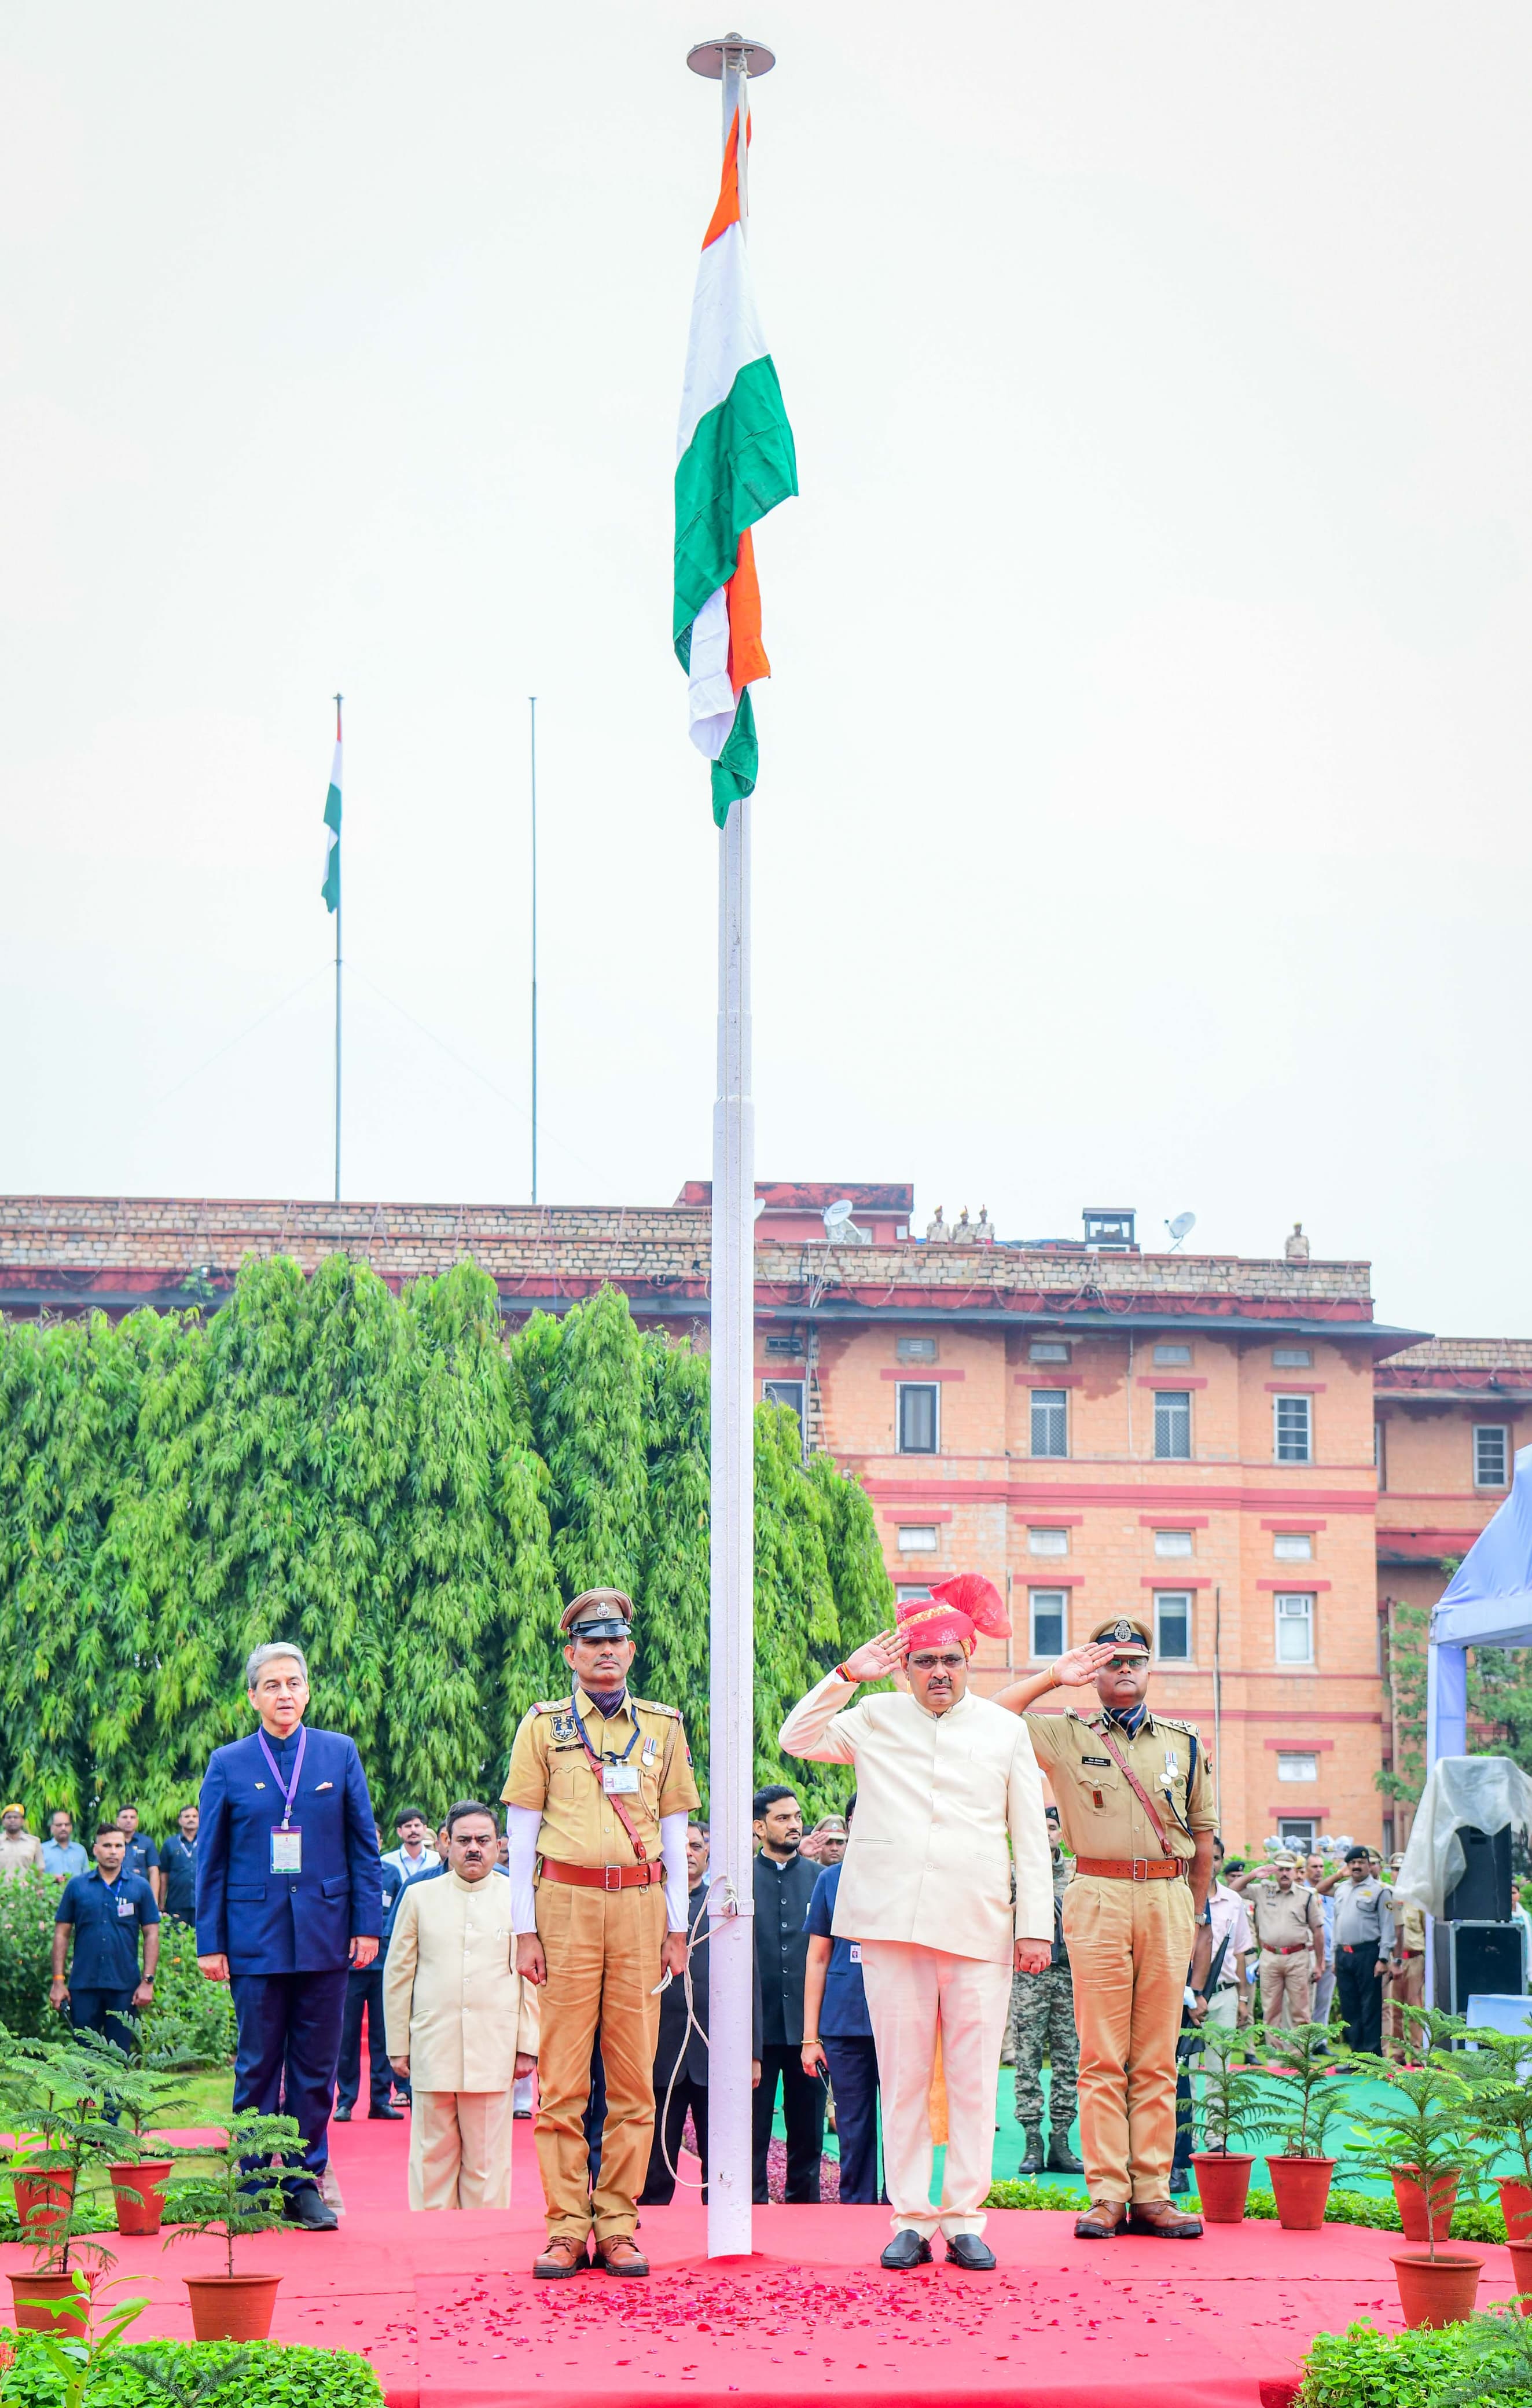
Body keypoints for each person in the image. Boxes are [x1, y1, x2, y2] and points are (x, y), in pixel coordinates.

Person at [780, 1574, 1053, 2271]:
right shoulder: (873, 1717)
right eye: (925, 1661)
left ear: (970, 1660)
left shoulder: (1004, 1729)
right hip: (891, 1924)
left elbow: (1030, 1833)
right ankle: (908, 2215)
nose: (939, 1672)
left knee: (971, 2077)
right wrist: (847, 1674)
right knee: (901, 2076)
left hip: (979, 1923)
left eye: (951, 1659)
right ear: (905, 1667)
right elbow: (795, 1736)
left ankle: (963, 2217)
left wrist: (1035, 1927)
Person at [995, 1616, 1215, 2241]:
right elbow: (991, 1716)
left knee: (1156, 2056)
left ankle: (1151, 2192)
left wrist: (1191, 1910)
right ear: (1096, 1670)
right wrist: (1051, 1676)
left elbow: (1203, 1837)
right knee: (1100, 2055)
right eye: (1112, 1659)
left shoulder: (1185, 1740)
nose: (1124, 1669)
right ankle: (1106, 2194)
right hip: (1096, 1891)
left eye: (1135, 1659)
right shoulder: (1065, 1733)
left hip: (1167, 1895)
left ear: (1150, 1669)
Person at [502, 1587, 698, 2279]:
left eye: (616, 1640)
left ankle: (616, 2223)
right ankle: (563, 2226)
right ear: (572, 1654)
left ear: (632, 1650)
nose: (606, 1651)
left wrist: (678, 1925)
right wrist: (522, 1930)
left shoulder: (664, 1727)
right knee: (559, 2080)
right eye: (592, 1641)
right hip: (563, 1906)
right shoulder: (542, 1727)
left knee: (632, 2079)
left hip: (641, 1909)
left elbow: (676, 1835)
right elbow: (520, 1835)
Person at [195, 1640, 383, 2232]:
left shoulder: (337, 1753)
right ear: (252, 1695)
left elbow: (363, 1847)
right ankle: (251, 2183)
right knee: (256, 2065)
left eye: (293, 1682)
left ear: (308, 1690)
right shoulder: (228, 1762)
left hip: (328, 1936)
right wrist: (211, 1940)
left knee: (314, 2068)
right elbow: (212, 1859)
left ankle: (303, 2183)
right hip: (254, 1937)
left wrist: (365, 1925)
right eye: (271, 1684)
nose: (284, 1694)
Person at [384, 1801, 539, 2209]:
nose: (474, 1849)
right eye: (464, 1840)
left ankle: (480, 2248)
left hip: (495, 2044)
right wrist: (398, 2044)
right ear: (445, 1844)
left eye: (483, 1841)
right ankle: (431, 2241)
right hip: (433, 2042)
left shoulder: (520, 1898)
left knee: (487, 2160)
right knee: (431, 2155)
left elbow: (534, 1979)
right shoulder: (418, 1897)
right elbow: (398, 1976)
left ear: (499, 1846)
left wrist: (528, 2043)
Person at [638, 1822, 762, 2205]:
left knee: (721, 2158)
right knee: (655, 2159)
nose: (689, 1854)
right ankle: (652, 2228)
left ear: (707, 1854)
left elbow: (750, 1983)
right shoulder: (646, 1905)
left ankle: (722, 2228)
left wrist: (752, 2053)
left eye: (696, 1846)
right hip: (660, 2050)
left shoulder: (725, 1907)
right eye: (680, 1847)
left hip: (717, 2051)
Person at [801, 1792, 883, 2205]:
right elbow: (816, 1960)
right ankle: (857, 2205)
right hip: (844, 2021)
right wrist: (809, 2037)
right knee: (852, 2124)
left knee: (906, 2124)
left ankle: (905, 2208)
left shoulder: (908, 1875)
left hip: (900, 2018)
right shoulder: (829, 1881)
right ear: (849, 1824)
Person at [752, 1783, 826, 2205]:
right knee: (753, 2134)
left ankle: (807, 2219)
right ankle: (750, 2215)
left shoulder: (821, 1881)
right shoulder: (739, 1882)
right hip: (757, 2034)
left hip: (808, 2033)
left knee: (808, 2136)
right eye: (783, 1818)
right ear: (760, 1827)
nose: (794, 1825)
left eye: (796, 1816)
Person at [1006, 1803, 1081, 2175]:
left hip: (1069, 1976)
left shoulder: (1078, 1872)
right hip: (1029, 1978)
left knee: (1069, 2061)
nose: (1047, 1834)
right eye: (1041, 1827)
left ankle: (1062, 2141)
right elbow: (1000, 1915)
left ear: (1062, 1834)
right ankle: (1032, 2139)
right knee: (1028, 2059)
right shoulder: (1015, 1872)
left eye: (1052, 1827)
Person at [51, 1823, 160, 2077]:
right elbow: (62, 1933)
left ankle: (111, 2116)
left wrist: (148, 1981)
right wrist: (58, 1981)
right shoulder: (77, 1887)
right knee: (83, 2056)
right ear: (95, 1850)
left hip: (125, 1987)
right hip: (83, 1985)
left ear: (125, 1850)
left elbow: (151, 1933)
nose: (113, 1851)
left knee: (119, 2056)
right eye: (107, 1845)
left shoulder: (140, 1887)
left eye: (119, 1846)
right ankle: (86, 2114)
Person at [335, 1836, 405, 2121]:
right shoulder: (342, 1870)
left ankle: (380, 2099)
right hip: (351, 1967)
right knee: (347, 2037)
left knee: (382, 2038)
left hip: (385, 1965)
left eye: (375, 1839)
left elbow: (401, 1915)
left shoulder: (390, 1873)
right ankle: (345, 2101)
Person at [1317, 1844, 1394, 2054]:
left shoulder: (1382, 1891)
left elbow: (1388, 1926)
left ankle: (1371, 2057)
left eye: (1361, 1862)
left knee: (1370, 2007)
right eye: (1352, 1863)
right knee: (1349, 2007)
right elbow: (1321, 1890)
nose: (1357, 1867)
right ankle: (1356, 2054)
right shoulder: (1342, 1889)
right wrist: (1334, 1956)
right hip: (1344, 1955)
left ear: (1370, 1865)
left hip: (1368, 1954)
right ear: (1347, 1866)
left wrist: (1384, 1958)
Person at [1241, 1854, 1324, 2030]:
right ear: (1274, 1871)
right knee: (1270, 2012)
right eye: (1280, 1869)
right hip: (1270, 1957)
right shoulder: (1263, 1891)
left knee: (1301, 2013)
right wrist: (1253, 1874)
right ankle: (1275, 2058)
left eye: (1288, 1869)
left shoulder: (1306, 1896)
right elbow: (1234, 1890)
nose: (1284, 1873)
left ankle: (1297, 2056)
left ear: (1295, 1871)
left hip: (1298, 1957)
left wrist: (1319, 1964)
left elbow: (1318, 1931)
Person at [1205, 1841, 1253, 2029]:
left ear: (1222, 1862)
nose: (1211, 1863)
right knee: (1185, 2059)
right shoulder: (1181, 1895)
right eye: (1206, 1857)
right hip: (1187, 1995)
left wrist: (1242, 1999)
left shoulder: (1233, 1900)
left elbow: (1239, 1952)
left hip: (1224, 1993)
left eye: (1216, 1858)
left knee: (1220, 2057)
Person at [1386, 1853, 1427, 2060]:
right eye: (1394, 1869)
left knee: (1415, 2007)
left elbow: (1426, 1931)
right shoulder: (1388, 1898)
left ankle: (1418, 2051)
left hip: (1414, 1958)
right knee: (1395, 2009)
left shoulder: (1418, 1900)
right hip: (1394, 1960)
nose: (1398, 1874)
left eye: (1402, 1870)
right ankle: (1398, 2052)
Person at [1303, 1854, 1338, 2029]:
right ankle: (1305, 2040)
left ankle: (1320, 2042)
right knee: (1307, 2000)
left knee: (1325, 1999)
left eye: (1321, 1867)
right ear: (1306, 1869)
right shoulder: (1302, 1891)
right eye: (1314, 1867)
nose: (1319, 1870)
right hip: (1309, 1954)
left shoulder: (1330, 1893)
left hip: (1330, 1952)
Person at [158, 1805, 200, 1925]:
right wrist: (161, 1902)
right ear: (180, 1821)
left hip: (203, 1903)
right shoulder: (170, 1844)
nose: (191, 1819)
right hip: (177, 1903)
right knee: (177, 1940)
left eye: (194, 1816)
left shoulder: (207, 1842)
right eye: (187, 1816)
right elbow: (164, 1875)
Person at [383, 1808, 439, 1886]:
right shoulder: (386, 1862)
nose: (413, 1830)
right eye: (408, 1826)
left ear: (425, 1829)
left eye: (417, 1825)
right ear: (399, 1832)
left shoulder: (437, 1860)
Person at [114, 1806, 160, 1899]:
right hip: (114, 1892)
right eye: (125, 1817)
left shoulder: (147, 1842)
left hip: (140, 1894)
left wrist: (154, 1900)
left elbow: (154, 1872)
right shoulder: (111, 1842)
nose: (129, 1820)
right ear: (117, 1821)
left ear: (137, 1821)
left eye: (132, 1817)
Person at [41, 1811, 88, 1883]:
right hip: (51, 1893)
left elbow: (87, 1878)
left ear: (71, 1827)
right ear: (52, 1828)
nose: (63, 1828)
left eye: (67, 1825)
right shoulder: (42, 1850)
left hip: (76, 1894)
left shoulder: (80, 1850)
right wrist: (52, 1878)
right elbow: (36, 1878)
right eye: (59, 1825)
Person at [0, 1805, 44, 1881]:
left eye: (16, 1817)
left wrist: (39, 1890)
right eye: (9, 1817)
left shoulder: (34, 1842)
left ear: (23, 1821)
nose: (12, 1820)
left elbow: (40, 1869)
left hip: (26, 1891)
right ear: (3, 1822)